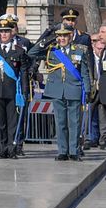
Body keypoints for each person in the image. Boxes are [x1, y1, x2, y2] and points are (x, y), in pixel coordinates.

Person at [29, 24, 95, 162]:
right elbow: (32, 53)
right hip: (57, 91)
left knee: (74, 122)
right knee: (60, 123)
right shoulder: (51, 51)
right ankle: (63, 151)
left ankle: (74, 151)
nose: (62, 38)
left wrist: (88, 90)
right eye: (59, 35)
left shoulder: (79, 50)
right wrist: (48, 38)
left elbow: (84, 73)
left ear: (70, 36)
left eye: (65, 35)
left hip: (74, 90)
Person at [0, 16, 31, 160]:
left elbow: (23, 72)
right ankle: (2, 149)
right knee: (0, 123)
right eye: (1, 31)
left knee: (12, 122)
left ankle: (11, 149)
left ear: (12, 33)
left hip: (12, 91)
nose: (4, 34)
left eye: (6, 31)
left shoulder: (19, 51)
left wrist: (24, 91)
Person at [87, 32, 106, 151]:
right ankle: (89, 138)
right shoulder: (89, 57)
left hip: (103, 91)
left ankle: (103, 140)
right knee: (89, 116)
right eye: (98, 48)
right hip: (92, 91)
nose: (100, 51)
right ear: (94, 46)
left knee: (103, 117)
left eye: (102, 48)